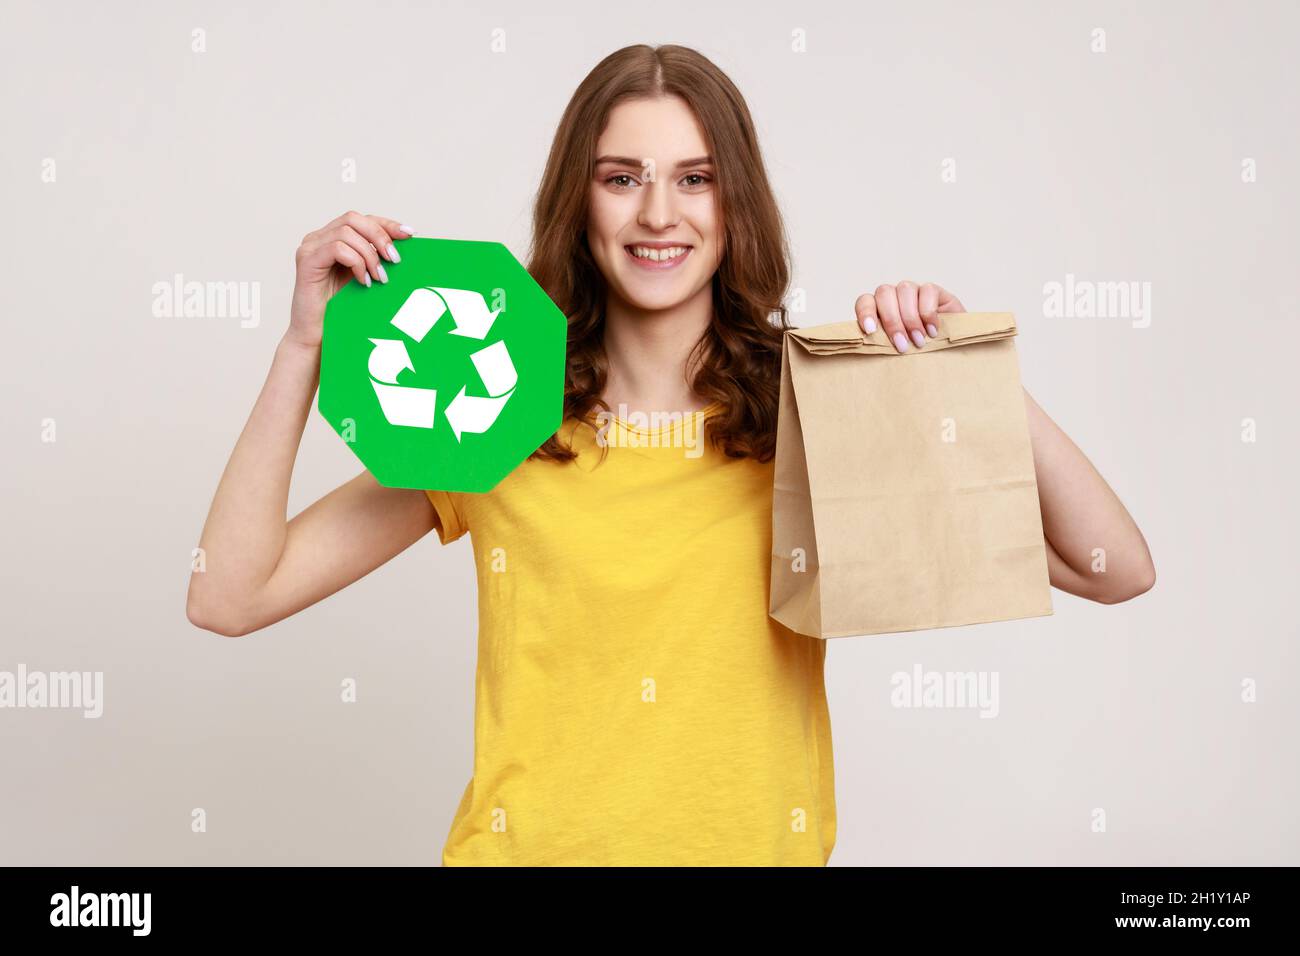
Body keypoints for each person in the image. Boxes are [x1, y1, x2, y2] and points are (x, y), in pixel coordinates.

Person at [186, 44, 1156, 866]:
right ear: (582, 200)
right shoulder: (489, 410)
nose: (659, 212)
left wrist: (964, 369)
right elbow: (231, 595)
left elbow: (1110, 565)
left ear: (735, 202)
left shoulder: (811, 411)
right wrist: (304, 348)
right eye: (622, 177)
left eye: (694, 177)